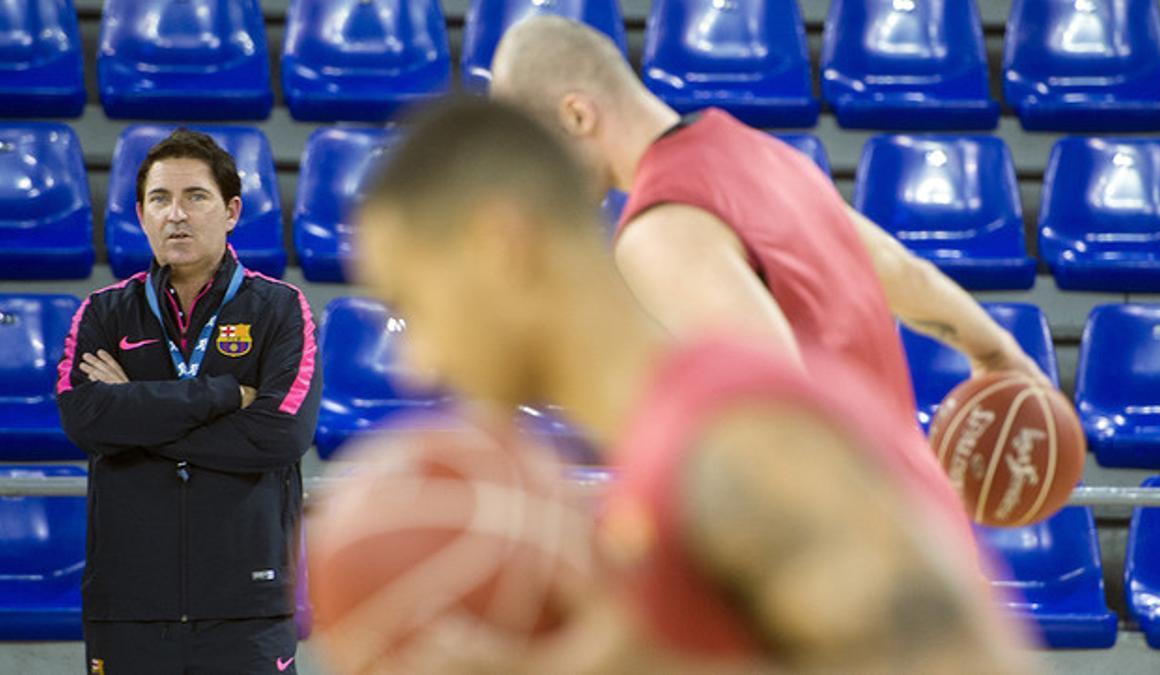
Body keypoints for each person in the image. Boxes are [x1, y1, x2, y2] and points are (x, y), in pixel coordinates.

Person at [351, 98, 1034, 673]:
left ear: (501, 246)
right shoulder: (664, 454)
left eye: (413, 299)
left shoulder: (732, 430)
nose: (419, 361)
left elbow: (964, 660)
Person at [489, 16, 1047, 421]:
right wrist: (996, 352)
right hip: (914, 525)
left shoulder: (660, 228)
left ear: (577, 114)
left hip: (839, 552)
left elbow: (780, 413)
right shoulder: (762, 154)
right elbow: (904, 272)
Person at [56, 129, 321, 675]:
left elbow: (280, 435)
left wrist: (133, 410)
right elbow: (83, 418)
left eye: (195, 197)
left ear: (230, 211)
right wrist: (222, 394)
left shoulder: (281, 309)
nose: (176, 214)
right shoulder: (102, 314)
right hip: (127, 606)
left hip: (247, 610)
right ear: (140, 213)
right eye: (160, 199)